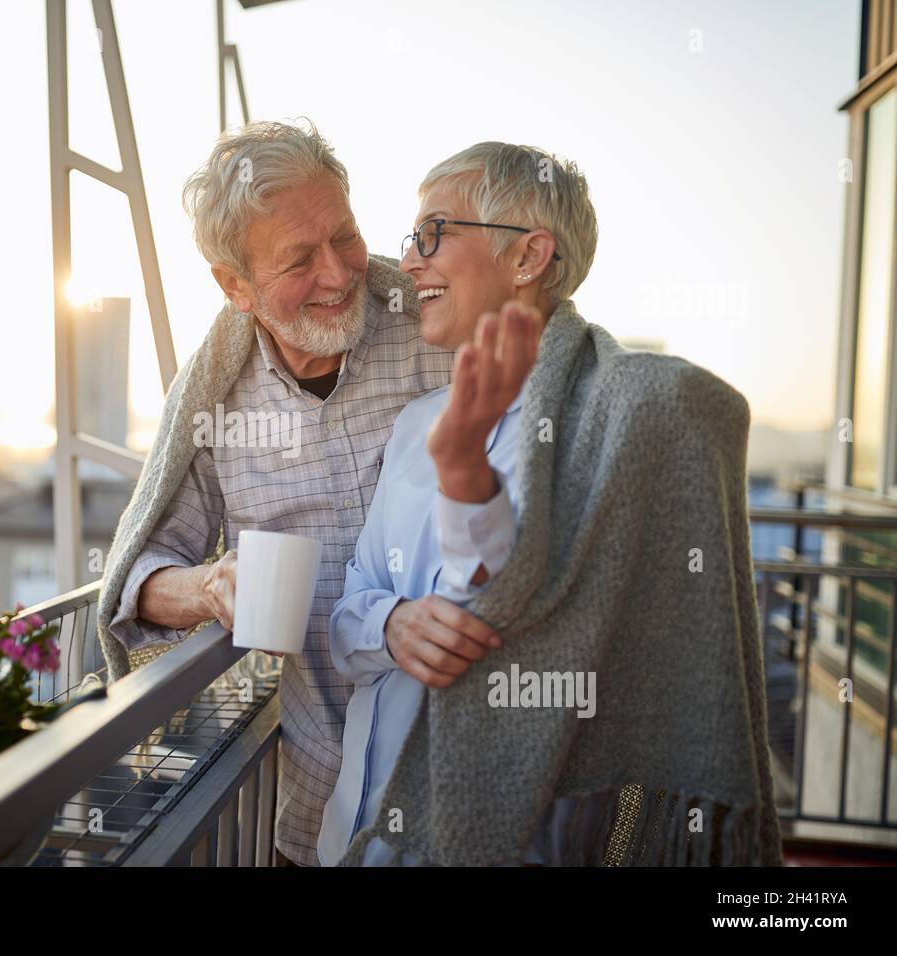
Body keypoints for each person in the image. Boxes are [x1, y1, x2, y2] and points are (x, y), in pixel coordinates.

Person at [321, 142, 782, 866]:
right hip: (362, 830)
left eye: (434, 233)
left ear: (528, 257)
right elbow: (348, 618)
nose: (409, 261)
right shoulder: (416, 424)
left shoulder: (629, 418)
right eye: (413, 238)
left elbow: (501, 615)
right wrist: (391, 623)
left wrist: (464, 469)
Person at [97, 120, 489, 867]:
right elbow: (138, 574)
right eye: (299, 259)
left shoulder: (438, 324)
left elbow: (554, 376)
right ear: (234, 285)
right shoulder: (216, 401)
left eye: (343, 236)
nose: (340, 273)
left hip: (478, 787)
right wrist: (211, 587)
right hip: (323, 795)